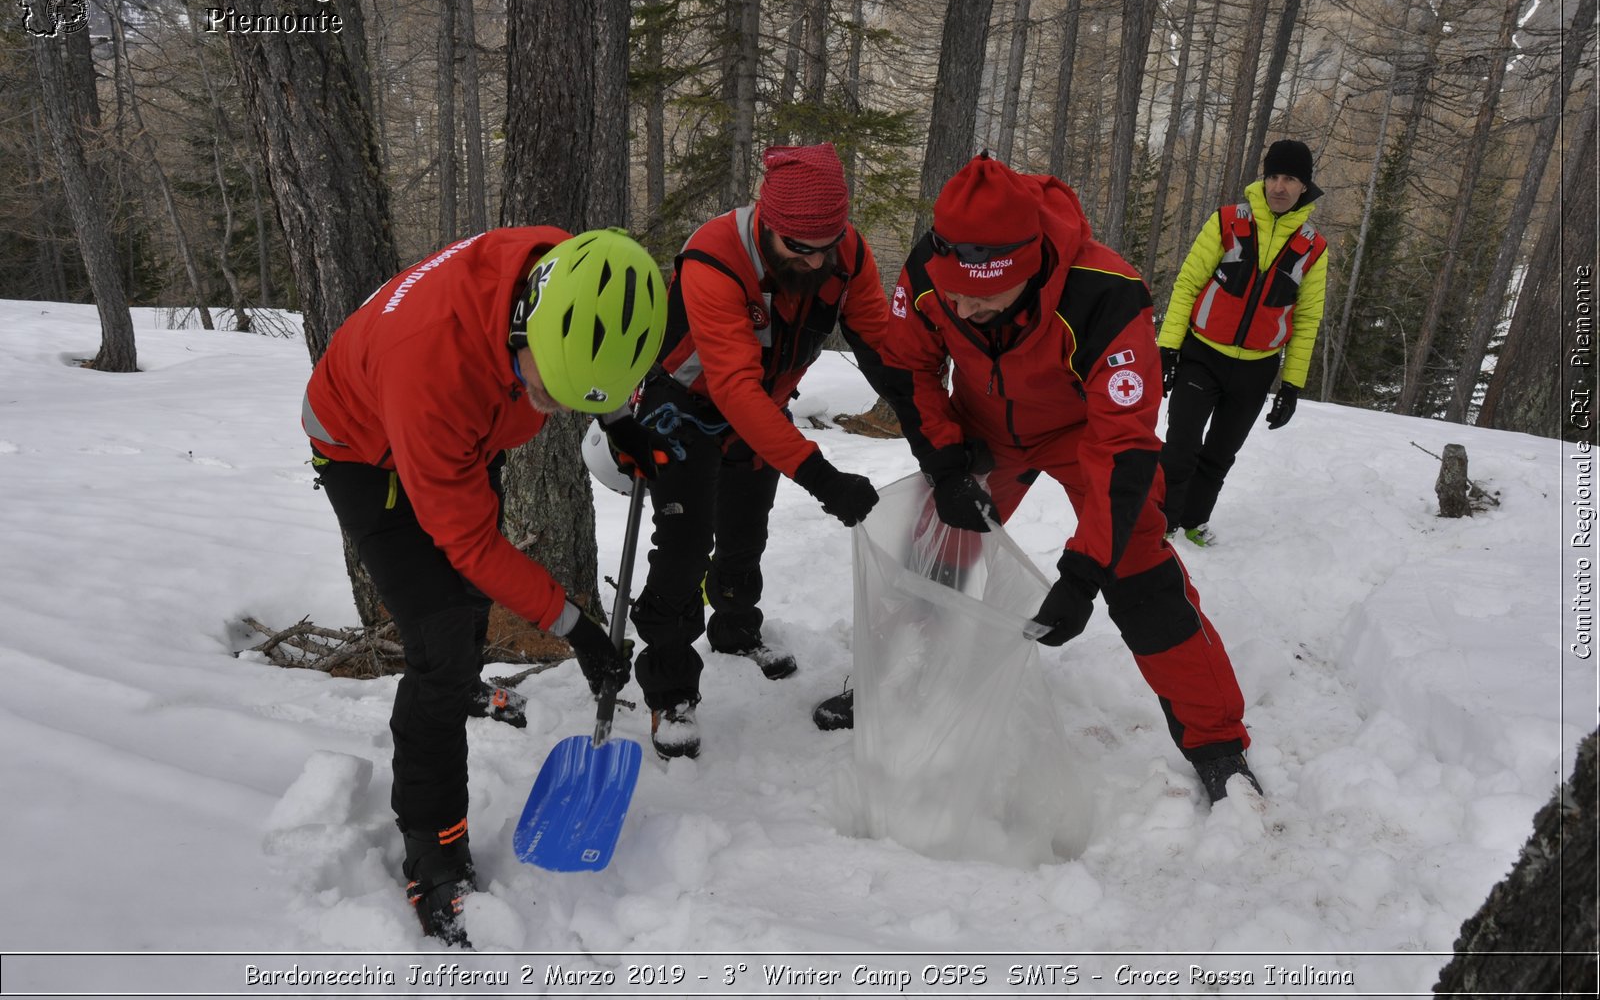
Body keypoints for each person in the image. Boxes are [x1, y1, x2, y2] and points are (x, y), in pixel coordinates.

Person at [822, 152, 1259, 805]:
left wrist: (1083, 575)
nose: (963, 308)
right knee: (935, 545)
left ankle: (1217, 743)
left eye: (982, 296)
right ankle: (888, 679)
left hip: (1084, 433)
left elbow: (1123, 449)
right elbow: (910, 368)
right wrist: (944, 466)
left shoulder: (1106, 296)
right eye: (954, 292)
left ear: (1026, 272)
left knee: (1140, 575)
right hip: (984, 427)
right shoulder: (934, 271)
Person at [302, 227, 667, 945]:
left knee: (466, 605)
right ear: (524, 321)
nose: (555, 411)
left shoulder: (575, 277)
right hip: (365, 447)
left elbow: (605, 365)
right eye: (544, 390)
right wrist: (578, 629)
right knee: (440, 640)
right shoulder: (431, 367)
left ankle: (465, 679)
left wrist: (621, 423)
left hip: (466, 427)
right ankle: (430, 847)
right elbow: (468, 542)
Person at [609, 142, 924, 762]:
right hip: (685, 408)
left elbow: (879, 347)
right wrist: (822, 476)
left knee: (745, 529)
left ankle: (734, 626)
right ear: (767, 221)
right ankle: (670, 688)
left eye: (823, 247)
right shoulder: (714, 257)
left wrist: (928, 430)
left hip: (764, 404)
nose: (812, 260)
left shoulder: (848, 254)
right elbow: (731, 385)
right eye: (797, 248)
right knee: (684, 542)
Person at [1157, 139, 1328, 546]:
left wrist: (1291, 385)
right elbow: (1187, 285)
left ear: (1304, 187)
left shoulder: (1313, 248)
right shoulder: (1227, 221)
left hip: (1256, 368)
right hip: (1202, 354)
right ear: (1263, 178)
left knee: (1218, 456)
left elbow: (1307, 320)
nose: (1279, 187)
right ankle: (1159, 522)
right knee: (1181, 446)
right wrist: (1168, 347)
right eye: (1273, 176)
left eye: (1290, 179)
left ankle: (1194, 522)